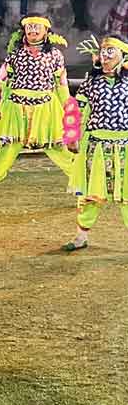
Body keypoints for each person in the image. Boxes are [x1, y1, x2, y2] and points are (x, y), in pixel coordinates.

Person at [0, 15, 73, 199]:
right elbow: (0, 81)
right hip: (15, 109)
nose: (33, 31)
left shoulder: (55, 55)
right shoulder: (15, 55)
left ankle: (77, 180)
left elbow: (61, 84)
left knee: (60, 147)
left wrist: (68, 110)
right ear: (23, 31)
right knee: (1, 148)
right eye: (29, 28)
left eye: (37, 28)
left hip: (46, 108)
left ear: (46, 31)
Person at [60, 35, 128, 251]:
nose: (106, 57)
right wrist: (71, 136)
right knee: (90, 194)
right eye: (104, 52)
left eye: (111, 52)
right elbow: (74, 110)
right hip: (96, 147)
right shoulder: (91, 82)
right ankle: (81, 237)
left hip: (125, 147)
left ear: (122, 56)